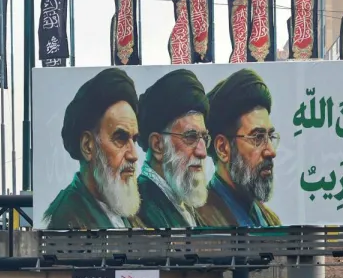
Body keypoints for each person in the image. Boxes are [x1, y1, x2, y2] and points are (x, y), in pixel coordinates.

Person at [43, 68, 145, 229]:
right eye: (120, 138)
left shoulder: (121, 212)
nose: (133, 155)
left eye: (134, 139)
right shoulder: (67, 220)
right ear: (88, 146)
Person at [196, 68, 282, 227]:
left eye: (270, 136)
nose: (271, 151)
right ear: (223, 148)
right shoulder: (200, 221)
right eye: (257, 137)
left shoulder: (270, 220)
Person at [136, 68, 212, 228]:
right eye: (190, 137)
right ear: (158, 145)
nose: (202, 152)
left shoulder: (182, 200)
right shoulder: (141, 207)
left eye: (204, 138)